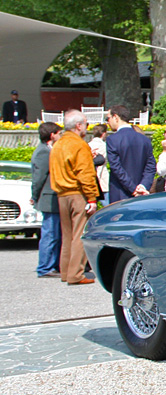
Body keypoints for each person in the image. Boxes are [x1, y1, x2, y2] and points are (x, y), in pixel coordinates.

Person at [49, 110, 99, 285]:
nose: (87, 127)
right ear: (78, 126)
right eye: (85, 123)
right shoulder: (79, 145)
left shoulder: (58, 144)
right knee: (80, 234)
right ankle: (76, 274)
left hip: (61, 194)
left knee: (67, 235)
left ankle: (65, 272)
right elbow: (85, 174)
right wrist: (92, 198)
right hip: (77, 194)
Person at [105, 105, 157, 203]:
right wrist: (143, 185)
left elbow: (116, 168)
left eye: (108, 118)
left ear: (115, 117)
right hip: (142, 192)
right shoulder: (144, 139)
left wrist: (133, 189)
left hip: (120, 194)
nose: (107, 122)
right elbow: (151, 166)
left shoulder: (112, 140)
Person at [30, 122, 62, 278]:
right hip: (48, 198)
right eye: (58, 133)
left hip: (52, 198)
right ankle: (44, 267)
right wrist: (34, 196)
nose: (60, 136)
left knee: (54, 233)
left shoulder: (48, 150)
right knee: (50, 234)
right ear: (52, 135)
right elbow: (38, 178)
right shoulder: (44, 152)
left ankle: (53, 264)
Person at [89, 123, 109, 204]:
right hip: (102, 178)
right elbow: (100, 164)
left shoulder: (88, 144)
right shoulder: (103, 146)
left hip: (92, 177)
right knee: (107, 205)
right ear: (103, 133)